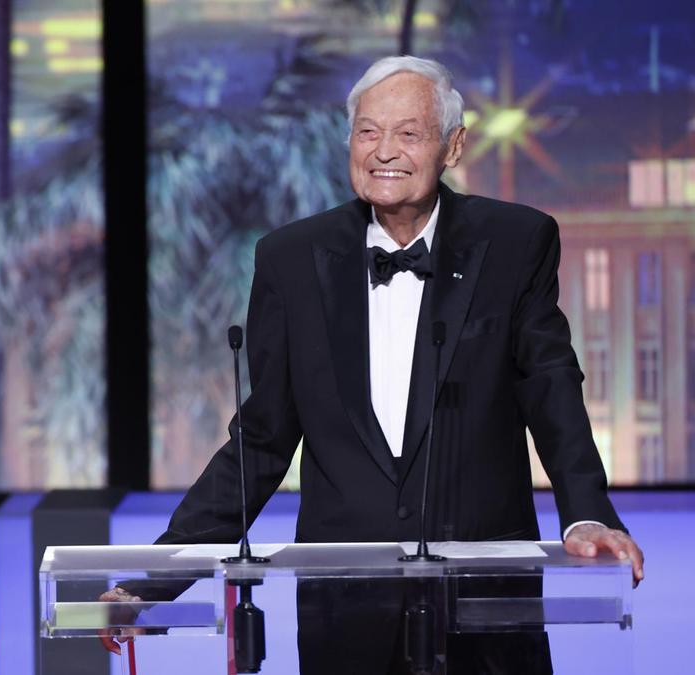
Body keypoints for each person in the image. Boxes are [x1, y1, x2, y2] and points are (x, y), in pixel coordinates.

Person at [101, 56, 644, 673]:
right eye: (367, 131)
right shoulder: (291, 258)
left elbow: (550, 387)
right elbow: (263, 437)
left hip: (484, 599)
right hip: (346, 606)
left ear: (453, 146)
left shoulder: (518, 242)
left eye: (409, 133)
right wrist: (152, 583)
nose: (384, 151)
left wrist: (588, 514)